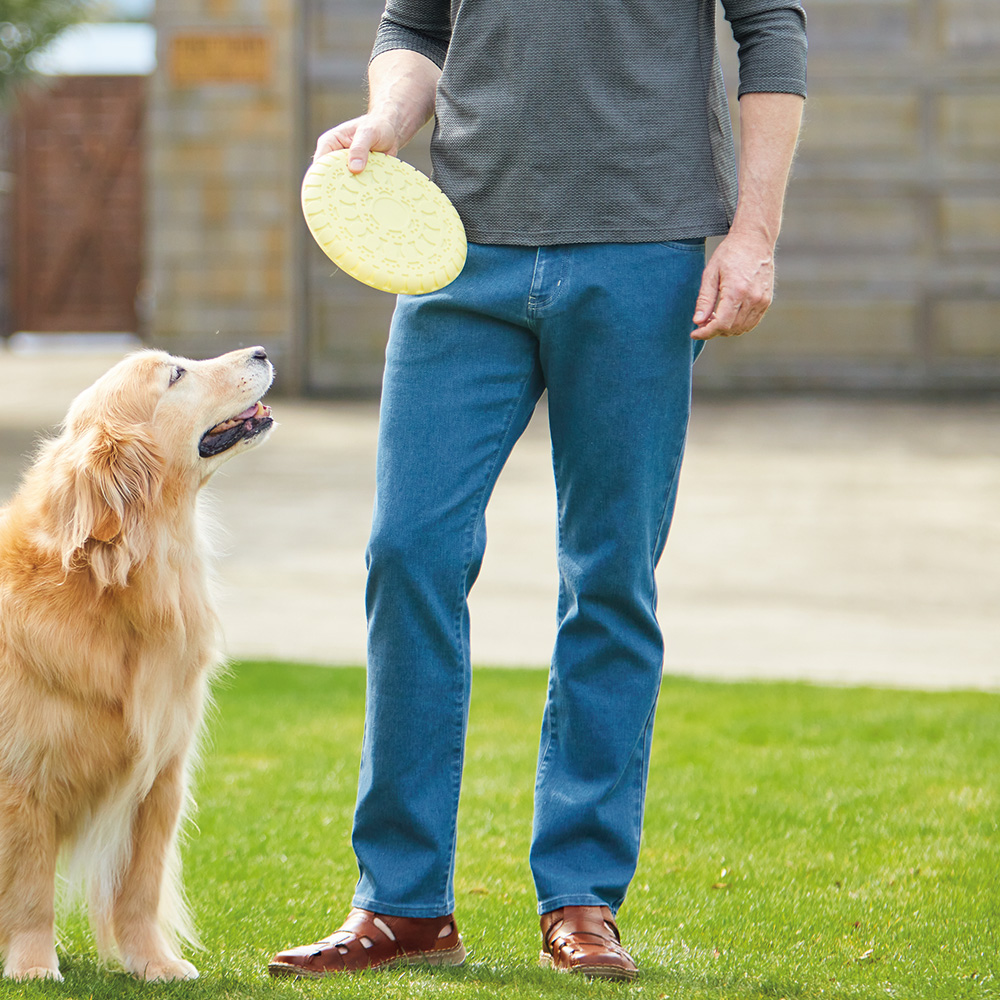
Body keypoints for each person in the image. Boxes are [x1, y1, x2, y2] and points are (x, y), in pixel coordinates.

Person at [269, 0, 806, 982]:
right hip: (455, 252)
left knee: (608, 571)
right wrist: (389, 121)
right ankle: (401, 903)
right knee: (408, 549)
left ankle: (581, 895)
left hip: (644, 248)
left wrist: (753, 231)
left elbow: (773, 31)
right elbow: (415, 30)